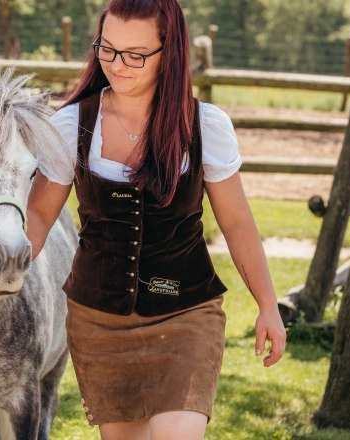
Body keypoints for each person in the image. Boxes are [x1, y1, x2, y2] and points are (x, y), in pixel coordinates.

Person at [26, 0, 287, 438]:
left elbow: (238, 223)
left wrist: (268, 306)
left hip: (185, 314)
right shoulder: (71, 125)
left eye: (135, 54)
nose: (117, 65)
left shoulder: (205, 126)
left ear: (171, 53)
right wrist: (1, 276)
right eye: (107, 50)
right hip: (99, 320)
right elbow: (37, 213)